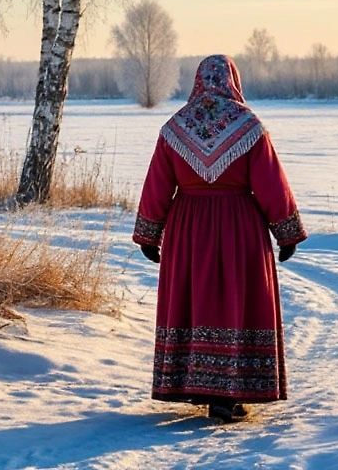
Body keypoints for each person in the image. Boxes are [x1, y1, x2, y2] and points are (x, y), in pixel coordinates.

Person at [132, 54, 307, 423]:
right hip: (239, 228)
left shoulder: (175, 128)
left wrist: (150, 233)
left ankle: (196, 384)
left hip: (188, 229)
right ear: (232, 81)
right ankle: (231, 391)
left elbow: (158, 186)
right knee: (236, 303)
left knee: (194, 303)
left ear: (198, 82)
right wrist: (286, 232)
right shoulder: (249, 127)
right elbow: (272, 183)